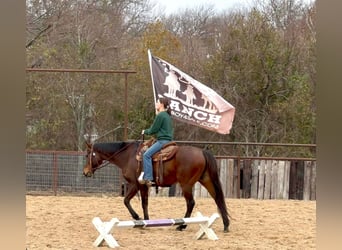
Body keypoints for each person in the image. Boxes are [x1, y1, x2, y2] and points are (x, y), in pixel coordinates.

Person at [138, 97, 174, 186]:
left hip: (162, 141)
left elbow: (153, 130)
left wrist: (144, 131)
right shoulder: (167, 115)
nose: (156, 104)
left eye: (157, 102)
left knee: (146, 155)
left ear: (162, 104)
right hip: (169, 141)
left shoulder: (161, 115)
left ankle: (149, 178)